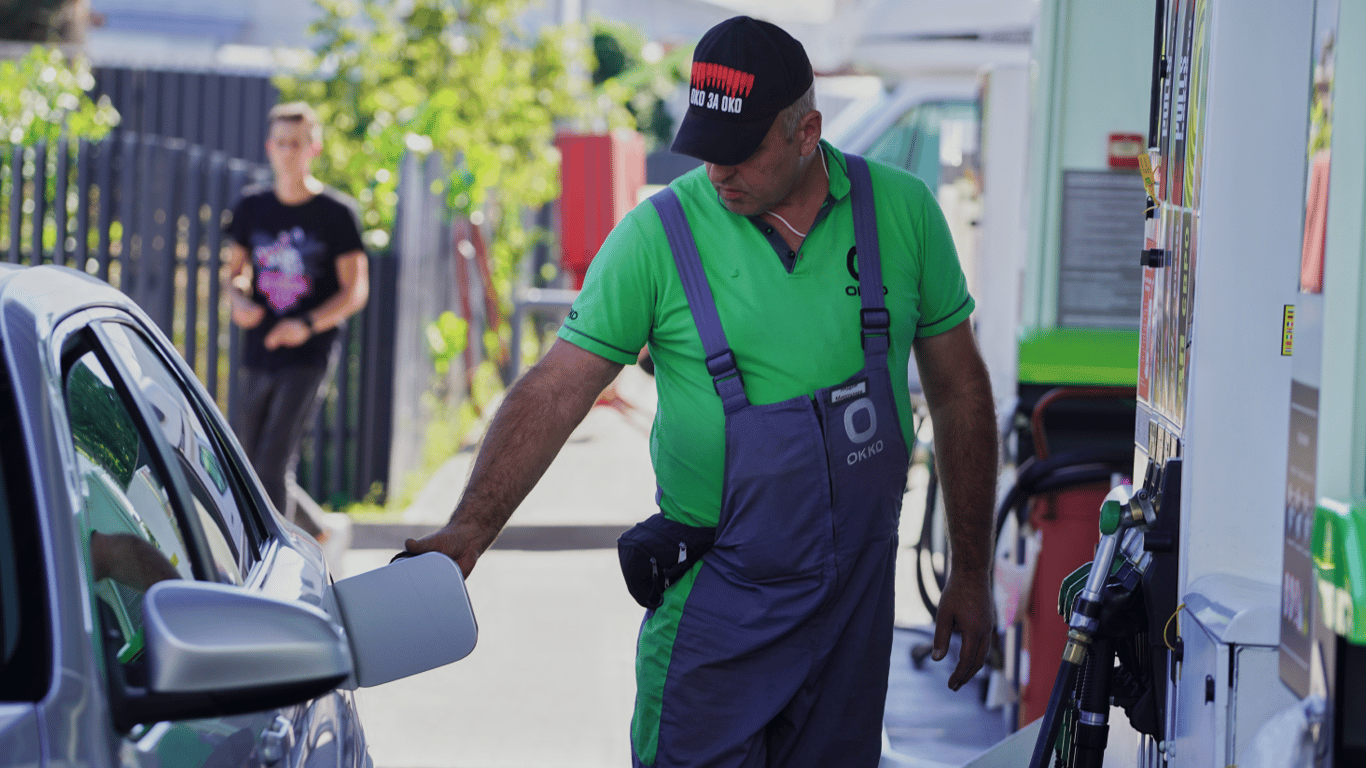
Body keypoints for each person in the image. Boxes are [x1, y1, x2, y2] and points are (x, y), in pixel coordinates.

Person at [407, 16, 997, 768]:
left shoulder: (903, 214)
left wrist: (971, 572)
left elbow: (961, 393)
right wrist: (471, 527)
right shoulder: (659, 235)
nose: (719, 171)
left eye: (742, 150)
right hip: (718, 609)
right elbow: (557, 388)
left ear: (807, 131)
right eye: (707, 147)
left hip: (856, 607)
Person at [223, 102, 369, 539]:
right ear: (270, 148)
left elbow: (355, 291)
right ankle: (317, 532)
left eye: (297, 144)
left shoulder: (336, 213)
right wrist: (237, 299)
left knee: (272, 461)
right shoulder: (252, 206)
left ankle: (278, 559)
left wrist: (304, 325)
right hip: (260, 346)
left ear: (314, 149)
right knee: (247, 458)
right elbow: (234, 272)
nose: (288, 153)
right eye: (281, 143)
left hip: (309, 352)